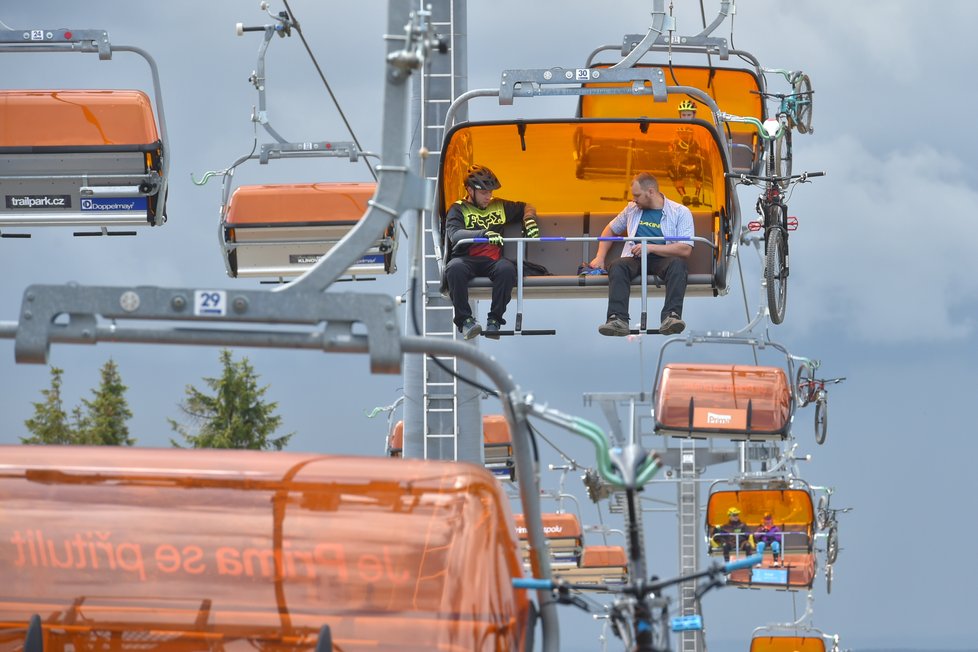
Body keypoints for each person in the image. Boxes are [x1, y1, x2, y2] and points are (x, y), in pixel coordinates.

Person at [443, 164, 540, 340]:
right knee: (454, 268)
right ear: (470, 190)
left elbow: (527, 206)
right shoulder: (457, 209)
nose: (489, 196)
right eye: (484, 192)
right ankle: (465, 321)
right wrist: (484, 233)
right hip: (466, 260)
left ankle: (494, 320)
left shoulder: (499, 205)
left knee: (507, 269)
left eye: (490, 192)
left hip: (492, 261)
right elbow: (455, 235)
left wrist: (529, 219)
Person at [591, 172, 694, 337]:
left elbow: (685, 248)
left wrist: (651, 248)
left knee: (678, 265)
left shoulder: (680, 212)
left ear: (651, 192)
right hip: (635, 258)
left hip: (663, 258)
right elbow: (611, 229)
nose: (634, 199)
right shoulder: (632, 209)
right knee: (617, 266)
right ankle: (617, 319)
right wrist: (600, 257)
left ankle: (671, 316)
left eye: (637, 195)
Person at [669, 99, 704, 204]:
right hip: (681, 160)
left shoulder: (700, 128)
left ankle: (696, 195)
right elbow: (671, 144)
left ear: (694, 115)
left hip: (695, 160)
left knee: (701, 169)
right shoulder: (675, 129)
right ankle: (684, 195)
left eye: (688, 115)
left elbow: (702, 145)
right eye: (683, 115)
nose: (686, 117)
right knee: (673, 170)